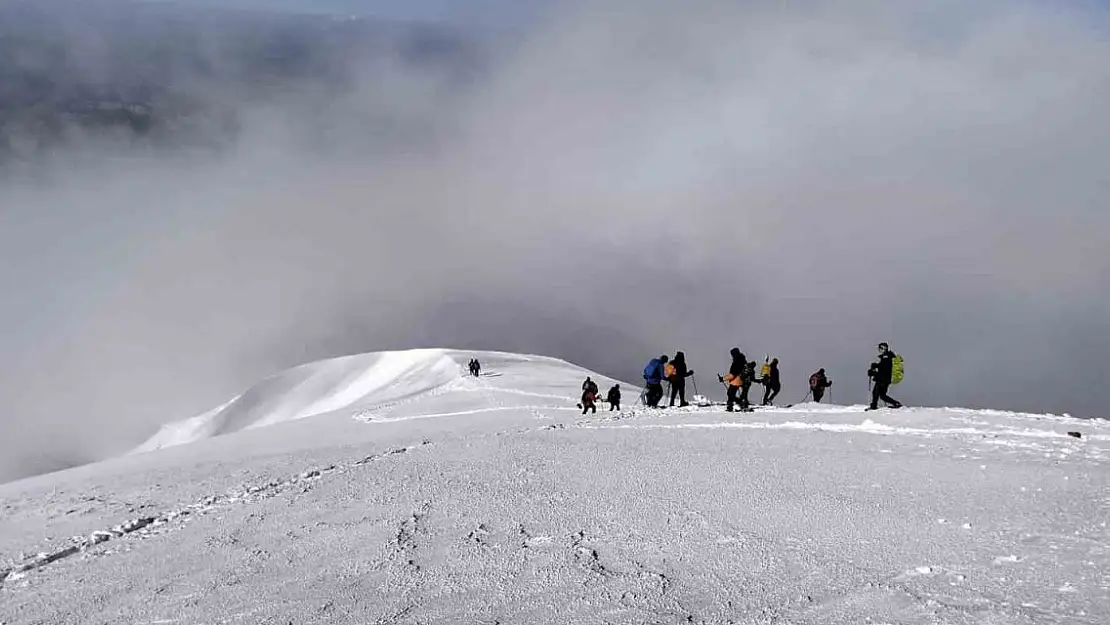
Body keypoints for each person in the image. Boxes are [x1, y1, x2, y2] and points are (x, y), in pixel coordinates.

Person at [867, 342, 903, 410]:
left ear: (884, 348)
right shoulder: (888, 357)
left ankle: (874, 406)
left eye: (880, 348)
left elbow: (885, 370)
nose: (879, 350)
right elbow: (884, 367)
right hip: (886, 379)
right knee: (882, 395)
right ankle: (896, 403)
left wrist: (874, 373)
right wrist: (876, 366)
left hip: (883, 379)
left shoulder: (886, 357)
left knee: (876, 392)